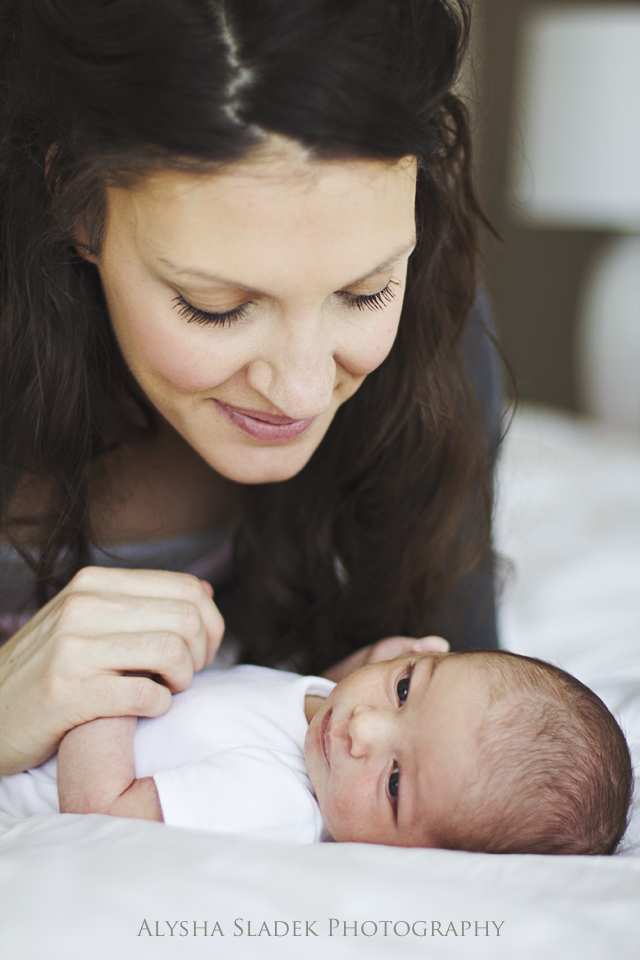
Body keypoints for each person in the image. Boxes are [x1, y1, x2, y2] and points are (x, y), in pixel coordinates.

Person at [0, 0, 503, 779]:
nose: (300, 391)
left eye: (365, 293)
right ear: (75, 200)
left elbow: (471, 746)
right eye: (216, 306)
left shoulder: (435, 333)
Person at [0, 642, 632, 855]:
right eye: (407, 687)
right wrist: (368, 663)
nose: (362, 727)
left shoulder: (275, 803)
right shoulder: (327, 716)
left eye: (393, 782)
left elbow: (100, 812)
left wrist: (119, 679)